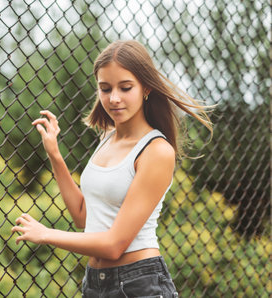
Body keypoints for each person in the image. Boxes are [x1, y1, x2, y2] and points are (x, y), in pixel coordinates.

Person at [11, 40, 212, 297]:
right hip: (94, 284)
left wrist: (47, 234)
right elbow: (84, 216)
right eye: (105, 89)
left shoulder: (156, 151)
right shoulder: (106, 138)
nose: (114, 98)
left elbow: (115, 244)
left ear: (146, 87)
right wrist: (55, 155)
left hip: (139, 284)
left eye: (125, 87)